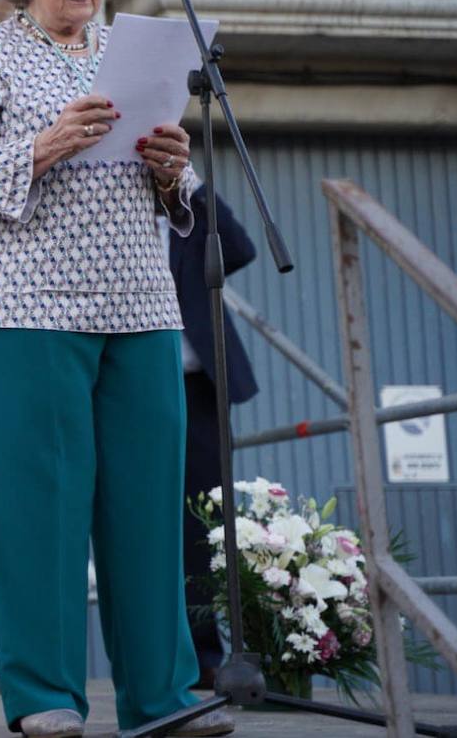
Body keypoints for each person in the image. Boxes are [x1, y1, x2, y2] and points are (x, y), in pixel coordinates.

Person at [0, 0, 234, 737]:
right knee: (41, 507)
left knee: (146, 504)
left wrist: (173, 167)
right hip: (21, 310)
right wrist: (44, 145)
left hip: (139, 301)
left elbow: (179, 194)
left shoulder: (131, 52)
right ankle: (46, 698)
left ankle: (162, 696)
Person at [167, 185, 259, 688]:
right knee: (143, 520)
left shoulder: (189, 208)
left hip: (197, 382)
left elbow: (242, 250)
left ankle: (205, 653)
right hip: (129, 383)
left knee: (203, 523)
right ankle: (160, 653)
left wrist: (192, 185)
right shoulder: (107, 207)